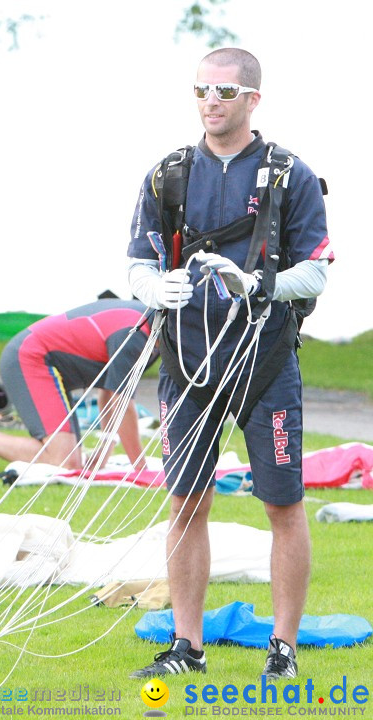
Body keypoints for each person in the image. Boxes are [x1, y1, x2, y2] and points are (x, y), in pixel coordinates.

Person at [126, 48, 332, 680]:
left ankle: (283, 648)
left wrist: (259, 283)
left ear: (252, 99)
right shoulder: (169, 174)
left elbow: (318, 268)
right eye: (201, 90)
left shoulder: (289, 173)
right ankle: (187, 647)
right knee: (185, 502)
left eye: (223, 90)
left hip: (265, 363)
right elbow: (138, 259)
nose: (210, 100)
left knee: (282, 504)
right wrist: (148, 287)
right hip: (186, 363)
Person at [0, 299, 156, 473]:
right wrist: (142, 471)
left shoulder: (149, 328)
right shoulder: (136, 334)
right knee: (64, 461)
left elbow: (110, 391)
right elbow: (122, 402)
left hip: (41, 361)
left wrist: (104, 449)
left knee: (72, 460)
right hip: (30, 357)